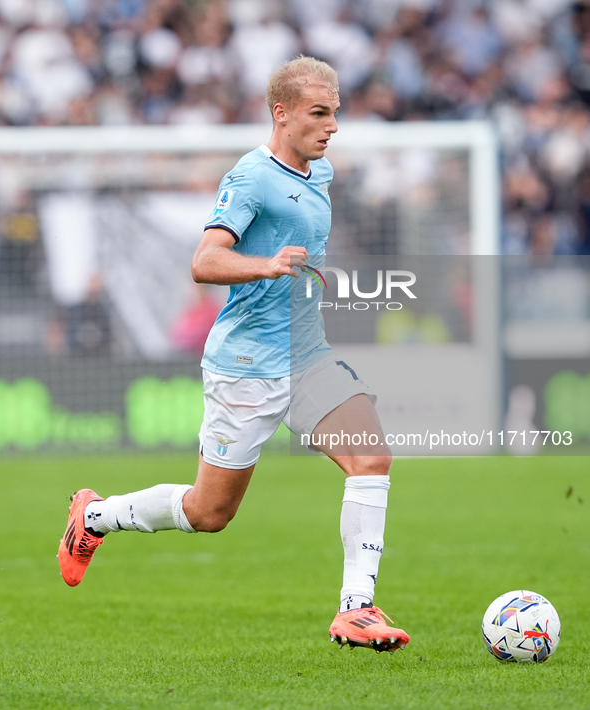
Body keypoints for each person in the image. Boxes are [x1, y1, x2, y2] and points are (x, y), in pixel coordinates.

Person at [58, 56, 410, 655]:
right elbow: (204, 260)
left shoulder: (317, 174)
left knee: (372, 458)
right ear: (282, 113)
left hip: (306, 356)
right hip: (245, 366)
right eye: (319, 114)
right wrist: (266, 265)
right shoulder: (252, 177)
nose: (331, 127)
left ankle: (357, 609)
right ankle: (93, 519)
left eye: (336, 114)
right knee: (208, 512)